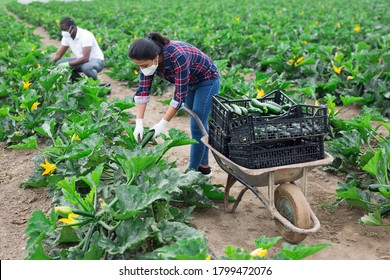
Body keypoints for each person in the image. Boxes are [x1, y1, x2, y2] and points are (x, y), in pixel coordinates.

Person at [129, 32, 220, 177]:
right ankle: (204, 168)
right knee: (199, 125)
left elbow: (179, 97)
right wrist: (139, 122)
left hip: (207, 80)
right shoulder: (148, 62)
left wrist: (163, 123)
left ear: (156, 57)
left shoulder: (178, 55)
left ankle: (191, 173)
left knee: (197, 125)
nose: (142, 69)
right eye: (138, 66)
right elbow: (143, 92)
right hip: (190, 82)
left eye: (144, 65)